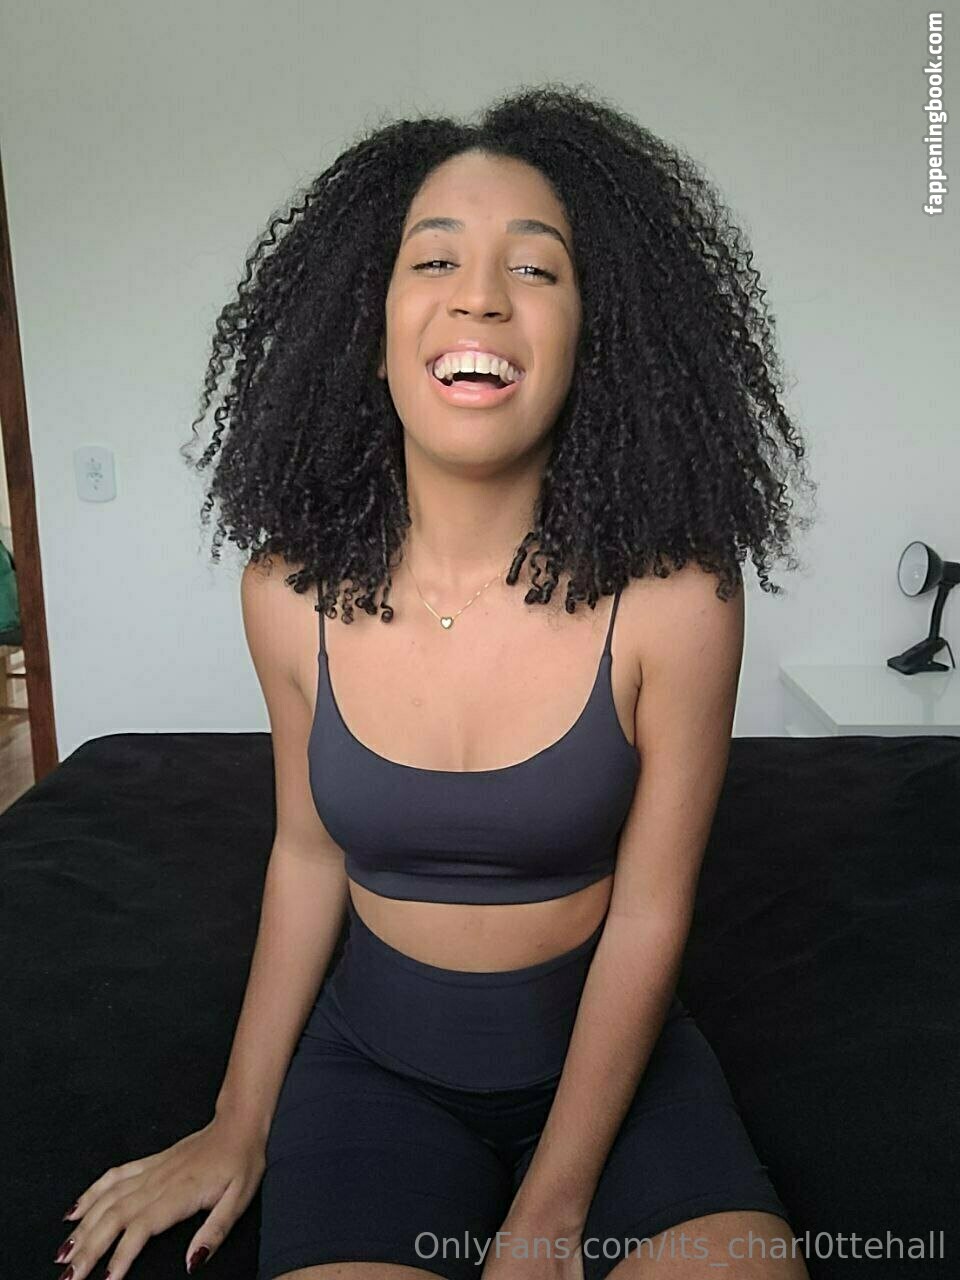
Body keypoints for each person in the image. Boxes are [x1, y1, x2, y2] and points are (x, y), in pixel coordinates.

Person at [56, 84, 817, 1280]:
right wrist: (238, 1117)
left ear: (595, 336)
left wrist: (552, 1209)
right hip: (374, 1074)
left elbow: (651, 910)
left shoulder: (681, 601)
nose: (481, 296)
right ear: (370, 328)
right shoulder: (285, 592)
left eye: (537, 267)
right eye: (435, 260)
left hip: (618, 1083)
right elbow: (307, 853)